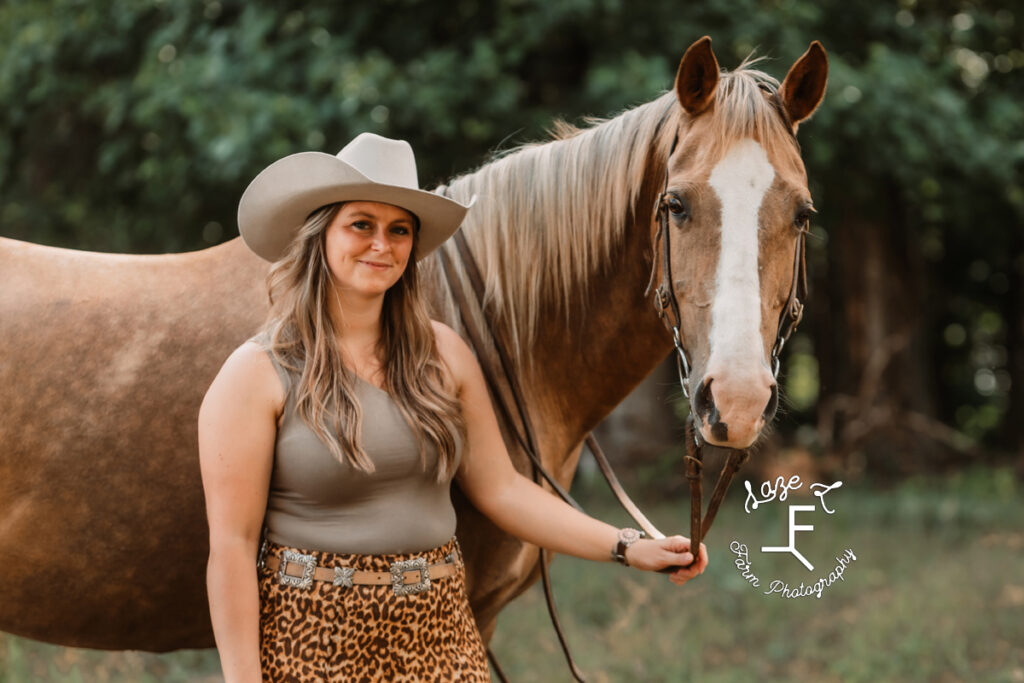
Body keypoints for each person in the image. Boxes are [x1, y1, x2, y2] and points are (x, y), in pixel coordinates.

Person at [198, 132, 708, 683]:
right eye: (361, 224)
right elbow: (232, 548)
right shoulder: (256, 373)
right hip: (312, 640)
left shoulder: (443, 354)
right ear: (321, 234)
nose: (381, 244)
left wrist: (628, 546)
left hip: (438, 635)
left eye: (399, 230)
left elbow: (504, 490)